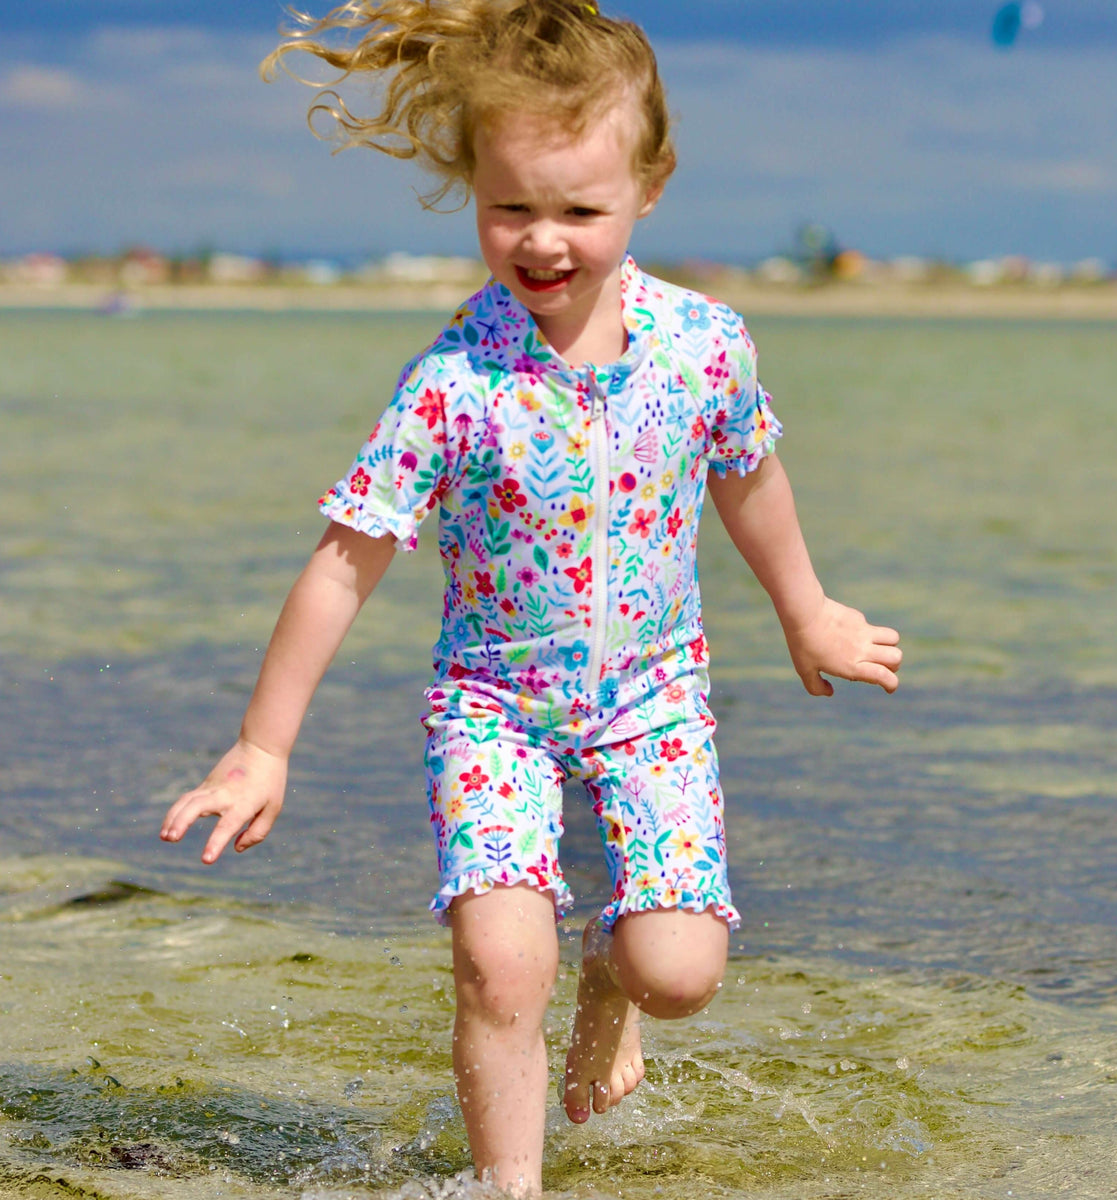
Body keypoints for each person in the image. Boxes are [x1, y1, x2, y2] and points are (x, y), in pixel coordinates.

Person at [160, 1, 902, 1194]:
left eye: (580, 210)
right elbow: (345, 562)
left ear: (649, 188)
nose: (542, 239)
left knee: (681, 970)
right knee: (502, 967)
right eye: (512, 207)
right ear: (473, 190)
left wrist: (805, 610)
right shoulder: (455, 379)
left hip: (654, 699)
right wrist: (262, 745)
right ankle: (511, 1188)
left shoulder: (703, 347)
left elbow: (750, 475)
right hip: (492, 707)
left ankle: (611, 978)